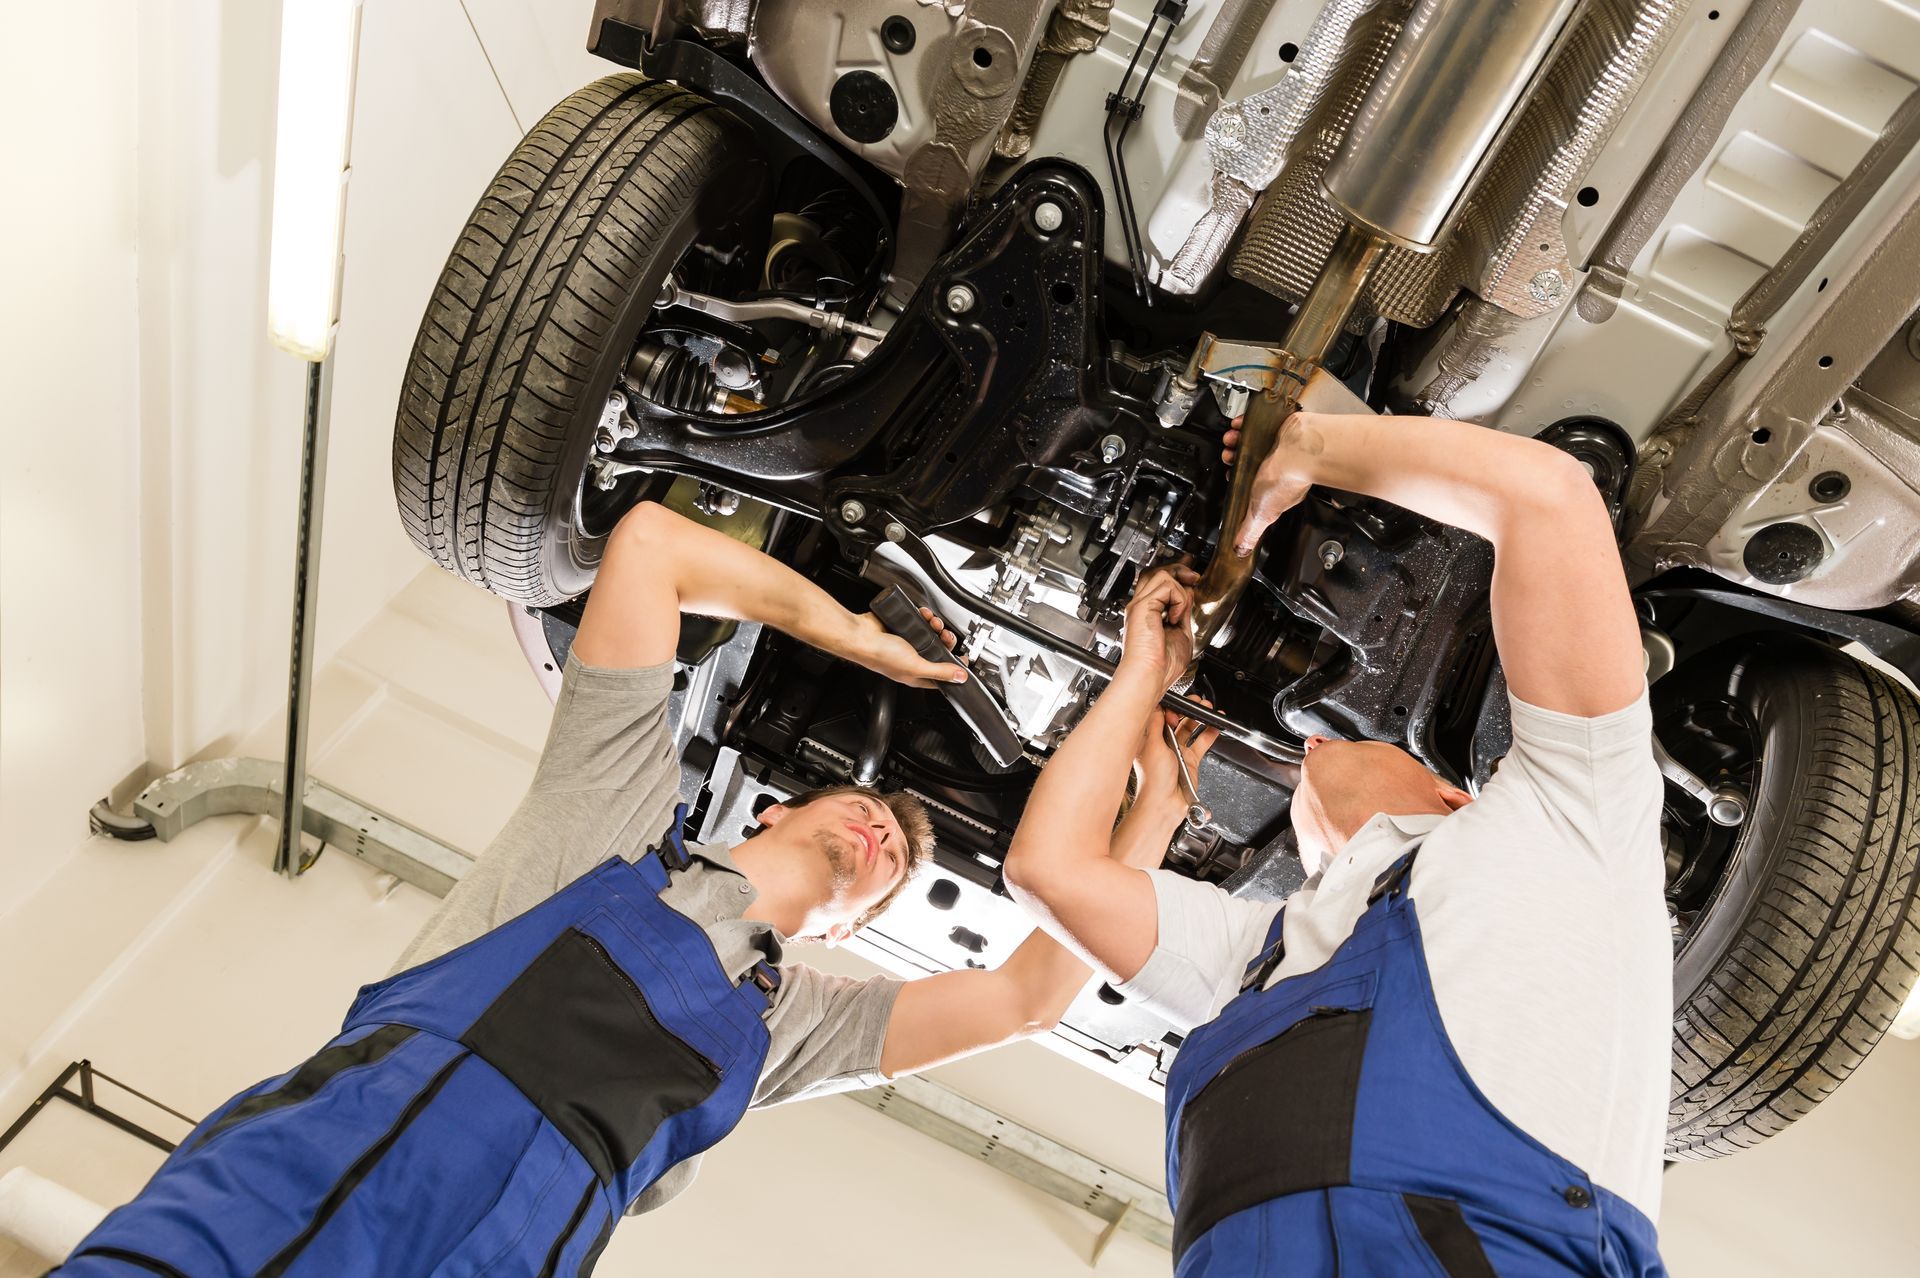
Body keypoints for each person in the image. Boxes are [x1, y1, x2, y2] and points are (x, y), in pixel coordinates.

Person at [57, 498, 1213, 1277]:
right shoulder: (608, 814)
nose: (881, 831)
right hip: (313, 1154)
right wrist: (854, 636)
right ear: (770, 806)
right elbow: (652, 544)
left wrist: (1150, 811)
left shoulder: (798, 1027)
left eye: (899, 865)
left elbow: (1022, 999)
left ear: (861, 928)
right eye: (860, 809)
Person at [1003, 372, 1671, 1276]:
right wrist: (1311, 448)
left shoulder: (1256, 964)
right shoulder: (1573, 813)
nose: (1310, 743)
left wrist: (1141, 681)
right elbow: (1550, 498)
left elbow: (1047, 872)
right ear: (1455, 795)